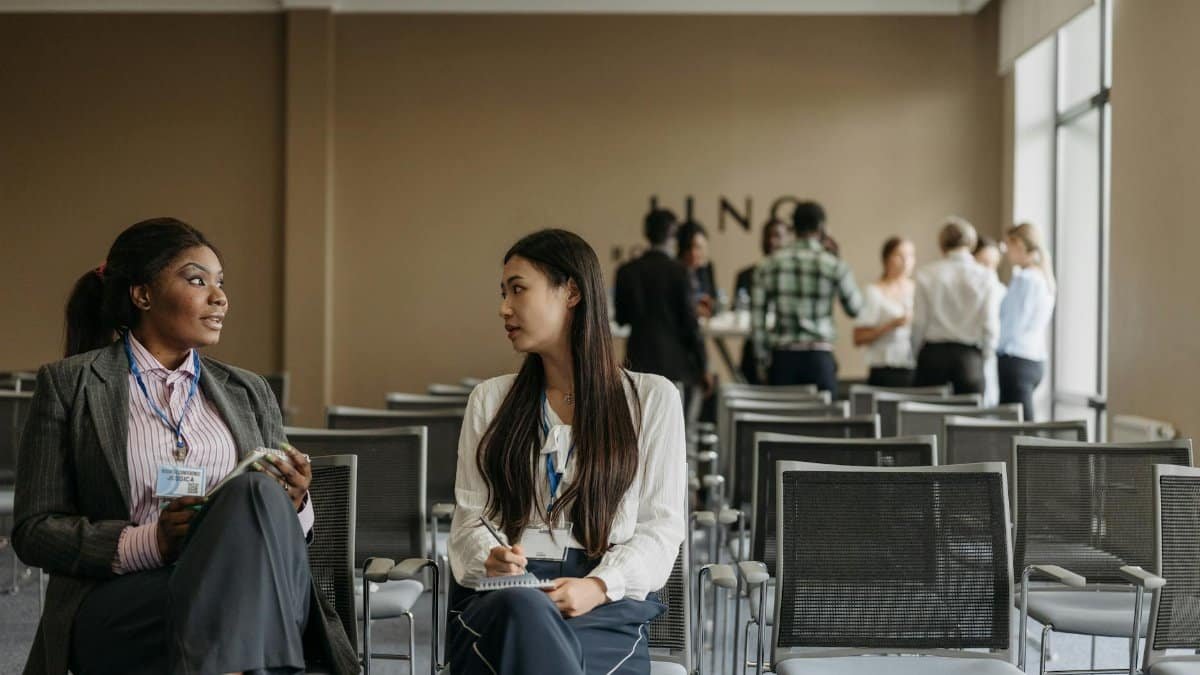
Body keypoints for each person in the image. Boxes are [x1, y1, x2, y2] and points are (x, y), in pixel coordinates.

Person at [12, 218, 358, 675]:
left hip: (249, 590)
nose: (220, 297)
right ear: (143, 294)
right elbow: (33, 531)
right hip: (129, 598)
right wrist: (151, 542)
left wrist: (293, 502)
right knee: (238, 600)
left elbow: (284, 537)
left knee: (254, 494)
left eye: (220, 283)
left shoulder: (248, 390)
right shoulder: (70, 385)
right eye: (198, 280)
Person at [448, 229, 686, 675]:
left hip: (603, 603)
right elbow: (469, 520)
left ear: (571, 291)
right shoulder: (490, 400)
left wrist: (598, 584)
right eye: (503, 293)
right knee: (524, 611)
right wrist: (491, 557)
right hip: (503, 598)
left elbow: (661, 529)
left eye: (518, 289)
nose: (504, 308)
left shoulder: (652, 399)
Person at [751, 201, 863, 393]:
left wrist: (762, 361)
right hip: (819, 356)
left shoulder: (768, 265)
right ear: (822, 228)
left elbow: (757, 321)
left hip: (783, 358)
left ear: (793, 227)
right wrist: (837, 257)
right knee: (823, 421)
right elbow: (855, 309)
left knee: (783, 421)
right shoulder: (833, 265)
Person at [613, 208, 709, 394]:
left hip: (637, 359)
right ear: (673, 235)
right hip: (674, 364)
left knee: (638, 420)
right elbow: (691, 325)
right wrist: (703, 365)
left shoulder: (627, 271)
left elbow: (621, 318)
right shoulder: (681, 272)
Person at [911, 216, 1004, 395]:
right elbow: (990, 324)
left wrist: (916, 354)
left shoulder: (926, 274)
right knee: (970, 420)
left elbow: (919, 323)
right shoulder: (986, 276)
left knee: (925, 418)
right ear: (971, 242)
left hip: (933, 356)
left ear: (941, 244)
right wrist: (985, 356)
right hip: (969, 357)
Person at [998, 222, 1056, 421]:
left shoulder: (1026, 279)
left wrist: (994, 348)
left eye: (1009, 246)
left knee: (1017, 430)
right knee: (1024, 425)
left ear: (1020, 245)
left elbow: (1012, 324)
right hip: (1034, 360)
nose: (1006, 253)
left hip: (1016, 361)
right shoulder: (1044, 278)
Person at [734, 219, 794, 383]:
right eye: (767, 236)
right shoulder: (747, 275)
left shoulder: (796, 278)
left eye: (778, 236)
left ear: (788, 239)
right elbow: (738, 310)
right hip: (754, 351)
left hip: (787, 350)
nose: (771, 241)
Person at [853, 237, 916, 387]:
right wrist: (892, 325)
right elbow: (858, 337)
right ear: (886, 259)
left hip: (912, 366)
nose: (906, 261)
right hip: (884, 369)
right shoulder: (874, 292)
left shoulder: (917, 290)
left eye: (910, 256)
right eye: (899, 256)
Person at [973, 235, 1008, 406]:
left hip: (992, 359)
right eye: (983, 263)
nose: (989, 270)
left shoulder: (1001, 291)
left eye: (993, 265)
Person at [675, 220, 717, 318]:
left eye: (703, 248)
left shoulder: (707, 268)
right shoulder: (674, 271)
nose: (702, 253)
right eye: (698, 248)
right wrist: (695, 308)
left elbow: (713, 299)